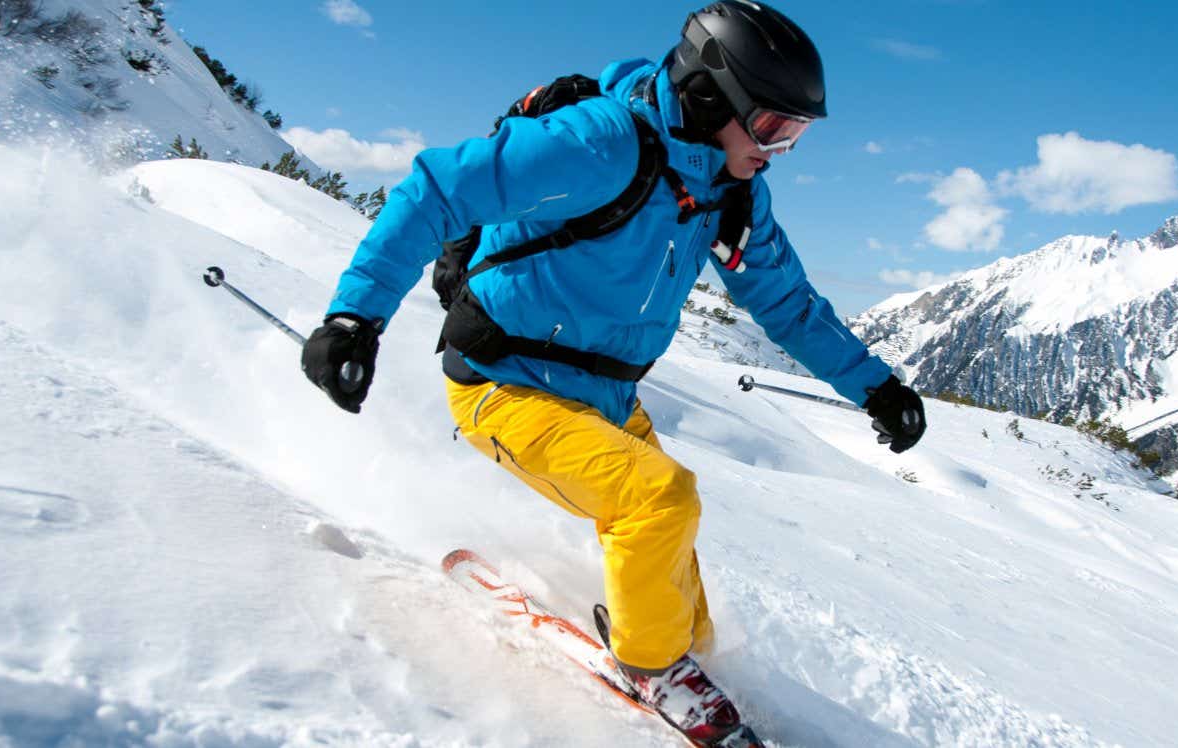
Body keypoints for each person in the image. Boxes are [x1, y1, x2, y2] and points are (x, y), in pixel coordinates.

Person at [301, 1, 925, 743]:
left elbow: (787, 302)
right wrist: (354, 318)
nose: (778, 151)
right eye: (770, 129)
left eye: (795, 135)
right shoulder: (600, 146)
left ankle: (672, 648)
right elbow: (438, 188)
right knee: (659, 499)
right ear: (705, 95)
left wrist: (876, 388)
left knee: (685, 600)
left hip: (605, 399)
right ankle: (651, 667)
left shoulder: (729, 194)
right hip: (505, 383)